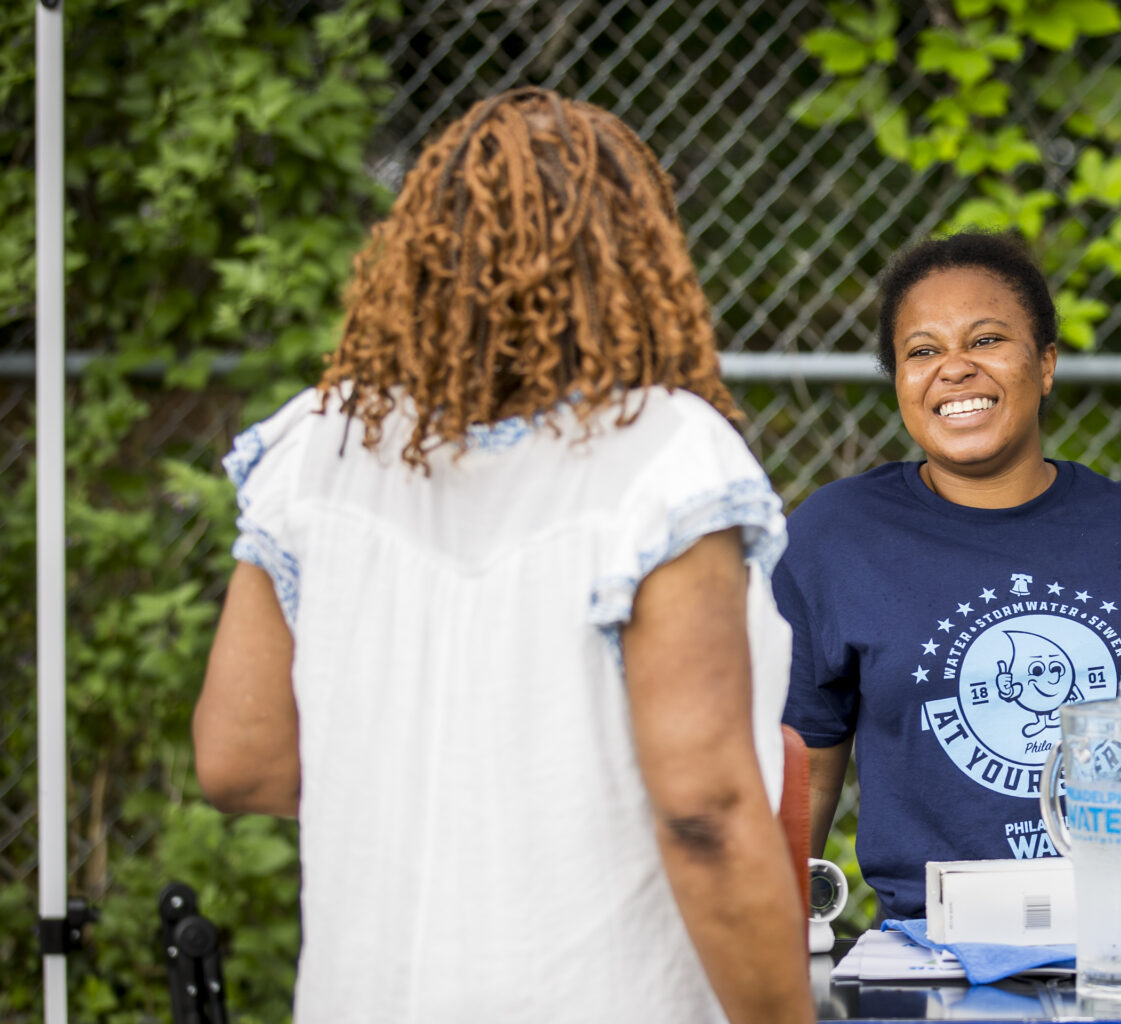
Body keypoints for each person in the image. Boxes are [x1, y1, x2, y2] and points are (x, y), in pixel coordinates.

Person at [191, 88, 812, 1023]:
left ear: (419, 255)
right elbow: (707, 811)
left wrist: (449, 778)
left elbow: (243, 760)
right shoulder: (665, 458)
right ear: (635, 258)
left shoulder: (317, 448)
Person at [776, 231, 1121, 924]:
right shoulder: (836, 535)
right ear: (900, 382)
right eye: (923, 351)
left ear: (1046, 363)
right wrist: (781, 941)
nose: (954, 369)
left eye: (987, 340)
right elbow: (807, 774)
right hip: (938, 953)